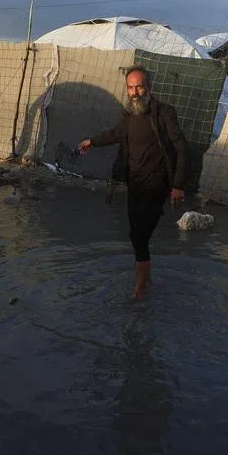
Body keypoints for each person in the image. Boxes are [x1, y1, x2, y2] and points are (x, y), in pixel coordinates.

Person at [79, 65, 187, 300]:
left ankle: (141, 285)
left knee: (139, 236)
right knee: (135, 235)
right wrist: (92, 141)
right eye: (130, 87)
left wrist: (177, 186)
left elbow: (181, 147)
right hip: (134, 184)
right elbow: (116, 134)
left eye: (139, 86)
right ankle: (145, 276)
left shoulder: (163, 113)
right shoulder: (129, 116)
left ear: (149, 87)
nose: (135, 92)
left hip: (157, 185)